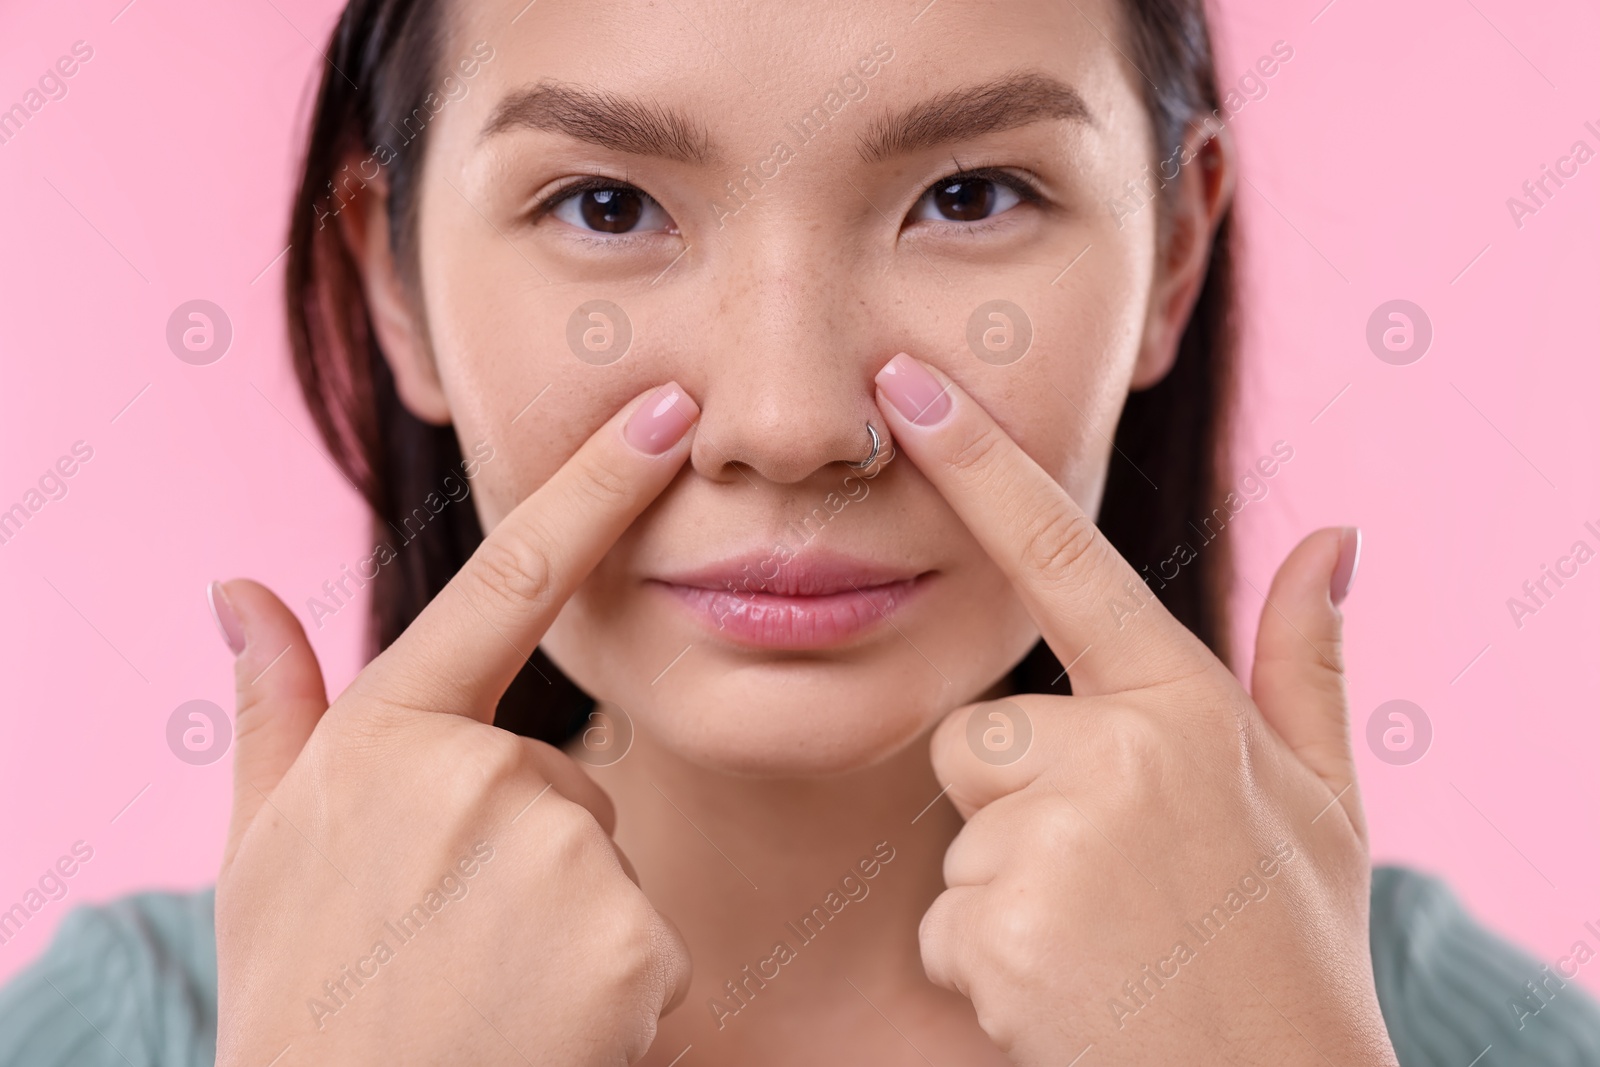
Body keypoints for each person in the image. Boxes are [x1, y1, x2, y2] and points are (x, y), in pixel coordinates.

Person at [4, 0, 1598, 1063]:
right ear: (392, 284)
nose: (788, 421)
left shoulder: (1441, 1029)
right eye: (606, 208)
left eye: (972, 195)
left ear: (1172, 257)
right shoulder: (130, 1028)